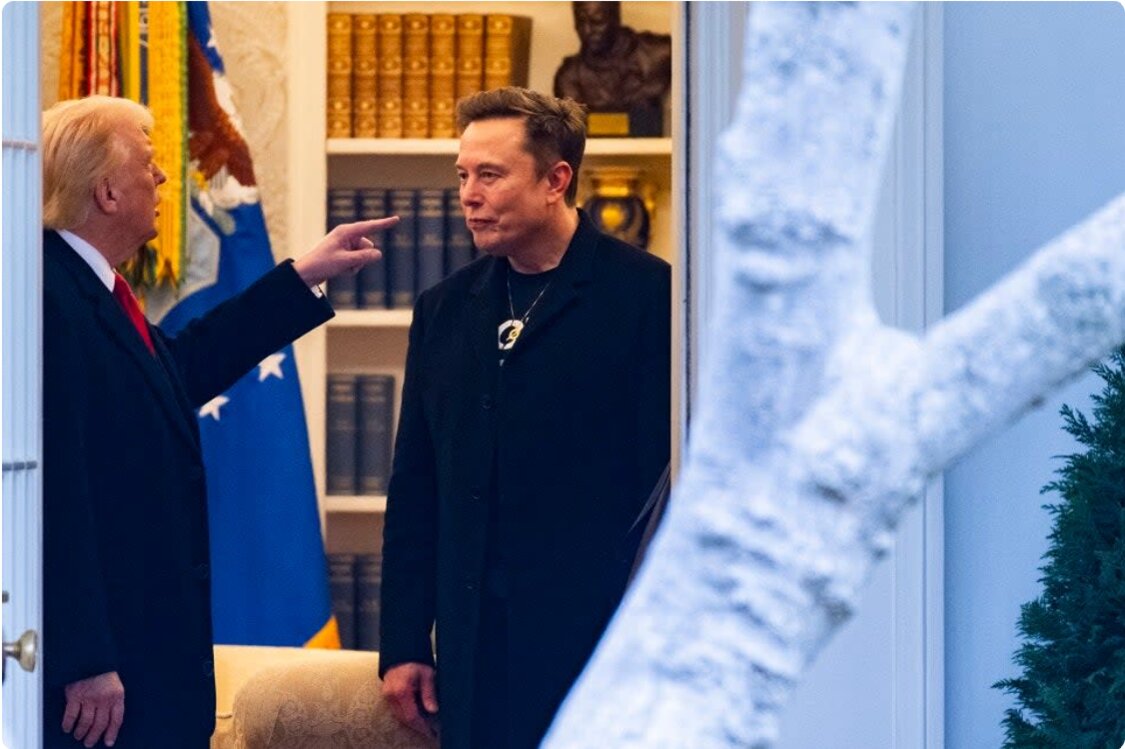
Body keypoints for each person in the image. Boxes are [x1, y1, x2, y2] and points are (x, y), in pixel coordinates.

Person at [40, 95, 396, 749]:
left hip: (143, 662)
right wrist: (82, 656)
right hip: (99, 682)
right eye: (148, 162)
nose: (162, 177)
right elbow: (54, 492)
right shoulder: (46, 294)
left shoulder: (90, 288)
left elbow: (175, 372)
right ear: (107, 192)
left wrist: (302, 277)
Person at [379, 87, 670, 749]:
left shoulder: (650, 297)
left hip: (597, 651)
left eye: (490, 175)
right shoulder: (443, 309)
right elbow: (415, 488)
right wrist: (403, 643)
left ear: (555, 180)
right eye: (462, 175)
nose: (468, 196)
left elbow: (665, 494)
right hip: (470, 657)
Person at [553, 1, 673, 112]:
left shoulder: (658, 53)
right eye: (580, 23)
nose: (587, 31)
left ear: (616, 18)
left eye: (597, 22)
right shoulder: (570, 77)